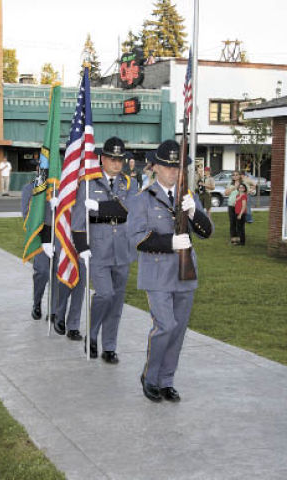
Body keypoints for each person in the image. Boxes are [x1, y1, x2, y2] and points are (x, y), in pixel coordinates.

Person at [128, 139, 213, 402]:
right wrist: (168, 242)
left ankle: (167, 380)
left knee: (178, 329)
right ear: (155, 167)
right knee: (165, 326)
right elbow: (135, 237)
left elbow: (206, 231)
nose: (173, 172)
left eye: (178, 167)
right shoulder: (142, 199)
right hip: (157, 273)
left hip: (185, 272)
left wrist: (193, 212)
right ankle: (150, 377)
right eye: (167, 166)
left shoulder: (188, 196)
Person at [71, 136, 138, 364]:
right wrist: (82, 248)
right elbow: (79, 219)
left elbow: (127, 211)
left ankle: (109, 346)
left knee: (117, 301)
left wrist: (98, 208)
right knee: (104, 294)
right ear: (102, 158)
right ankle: (91, 334)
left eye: (120, 159)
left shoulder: (129, 184)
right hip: (98, 250)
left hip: (122, 249)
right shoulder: (88, 183)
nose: (117, 163)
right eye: (112, 159)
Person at [21, 172, 58, 321]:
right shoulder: (29, 188)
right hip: (40, 237)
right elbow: (26, 214)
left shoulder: (59, 187)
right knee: (42, 272)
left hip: (58, 237)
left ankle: (54, 310)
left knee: (57, 274)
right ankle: (37, 303)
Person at [225, 171, 241, 244]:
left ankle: (239, 238)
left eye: (236, 175)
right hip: (231, 205)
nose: (235, 176)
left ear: (239, 176)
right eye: (233, 175)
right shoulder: (230, 184)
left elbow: (246, 192)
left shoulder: (242, 184)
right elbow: (226, 193)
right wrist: (232, 188)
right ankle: (233, 238)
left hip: (239, 205)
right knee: (232, 222)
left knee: (239, 222)